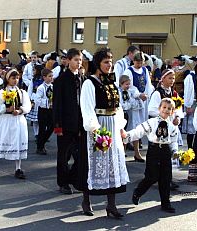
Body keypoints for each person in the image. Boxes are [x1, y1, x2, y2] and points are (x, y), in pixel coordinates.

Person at [78, 47, 129, 219]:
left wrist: (121, 127)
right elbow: (87, 109)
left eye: (111, 61)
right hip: (98, 126)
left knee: (112, 165)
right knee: (93, 164)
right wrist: (96, 131)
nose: (110, 64)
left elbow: (118, 107)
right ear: (97, 64)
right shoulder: (89, 83)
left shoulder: (111, 83)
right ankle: (86, 200)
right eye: (106, 61)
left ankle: (111, 205)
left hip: (113, 126)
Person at [125, 98, 178, 213]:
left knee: (166, 178)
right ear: (159, 108)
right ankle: (138, 192)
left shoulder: (172, 127)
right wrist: (127, 136)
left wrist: (175, 151)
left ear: (172, 111)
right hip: (154, 150)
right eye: (164, 107)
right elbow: (139, 131)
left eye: (169, 109)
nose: (166, 110)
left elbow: (174, 140)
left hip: (165, 151)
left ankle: (165, 203)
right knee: (152, 176)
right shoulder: (152, 122)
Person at [0, 69, 32, 179]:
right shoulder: (2, 92)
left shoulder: (21, 92)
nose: (15, 80)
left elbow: (27, 106)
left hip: (18, 121)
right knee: (3, 140)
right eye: (13, 78)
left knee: (18, 142)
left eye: (17, 78)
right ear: (7, 79)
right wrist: (7, 109)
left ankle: (18, 168)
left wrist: (20, 111)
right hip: (6, 121)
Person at [53, 48, 84, 195]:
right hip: (65, 124)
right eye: (76, 60)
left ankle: (72, 177)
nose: (78, 63)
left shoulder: (83, 79)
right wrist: (58, 126)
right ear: (69, 60)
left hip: (79, 123)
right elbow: (57, 104)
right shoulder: (61, 80)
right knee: (63, 155)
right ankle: (63, 182)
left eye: (80, 60)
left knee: (81, 155)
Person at [148, 69, 183, 190]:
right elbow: (151, 110)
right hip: (160, 128)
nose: (172, 81)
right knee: (159, 153)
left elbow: (178, 108)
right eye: (170, 78)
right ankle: (155, 177)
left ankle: (168, 178)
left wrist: (177, 117)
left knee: (170, 152)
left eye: (173, 78)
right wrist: (165, 116)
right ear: (163, 79)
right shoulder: (158, 93)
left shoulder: (174, 93)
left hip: (171, 127)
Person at [122, 51, 154, 162]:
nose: (139, 64)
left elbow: (148, 85)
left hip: (143, 102)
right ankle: (124, 152)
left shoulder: (145, 70)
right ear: (133, 61)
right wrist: (138, 95)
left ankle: (136, 152)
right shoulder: (129, 71)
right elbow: (127, 86)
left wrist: (147, 95)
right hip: (132, 103)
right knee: (131, 128)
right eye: (137, 62)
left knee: (139, 128)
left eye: (141, 62)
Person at [35, 68, 54, 155]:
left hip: (51, 110)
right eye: (49, 76)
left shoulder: (53, 87)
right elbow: (37, 100)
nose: (51, 78)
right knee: (42, 129)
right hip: (43, 110)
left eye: (52, 76)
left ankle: (42, 142)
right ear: (44, 77)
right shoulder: (41, 88)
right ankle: (40, 147)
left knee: (51, 127)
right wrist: (47, 103)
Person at [26, 64, 44, 140]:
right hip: (34, 98)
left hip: (41, 99)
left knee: (41, 119)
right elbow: (30, 90)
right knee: (35, 120)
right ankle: (36, 134)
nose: (33, 71)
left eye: (34, 70)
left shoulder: (43, 79)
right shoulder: (33, 79)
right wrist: (29, 99)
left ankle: (41, 133)